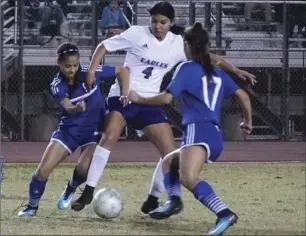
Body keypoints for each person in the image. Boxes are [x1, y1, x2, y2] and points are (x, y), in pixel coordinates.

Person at [70, 1, 256, 213]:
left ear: (171, 23)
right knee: (111, 134)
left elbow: (211, 58)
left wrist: (236, 70)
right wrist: (93, 71)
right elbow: (103, 46)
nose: (158, 26)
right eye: (154, 21)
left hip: (150, 101)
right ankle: (89, 190)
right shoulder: (136, 33)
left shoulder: (178, 44)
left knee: (169, 154)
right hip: (124, 95)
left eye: (163, 22)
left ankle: (154, 199)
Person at [128, 22, 252, 235]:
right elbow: (243, 95)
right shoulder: (216, 72)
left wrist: (140, 98)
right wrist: (248, 121)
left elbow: (167, 98)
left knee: (189, 178)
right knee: (169, 162)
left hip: (198, 130)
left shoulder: (186, 68)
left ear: (188, 45)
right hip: (214, 135)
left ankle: (224, 213)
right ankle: (174, 201)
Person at [18, 42, 130, 217]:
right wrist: (77, 109)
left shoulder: (89, 70)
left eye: (75, 65)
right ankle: (31, 207)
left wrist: (125, 93)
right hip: (68, 131)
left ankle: (71, 187)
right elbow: (67, 106)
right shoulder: (57, 83)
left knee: (85, 169)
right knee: (42, 170)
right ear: (59, 64)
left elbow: (122, 71)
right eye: (67, 66)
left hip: (92, 132)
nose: (72, 69)